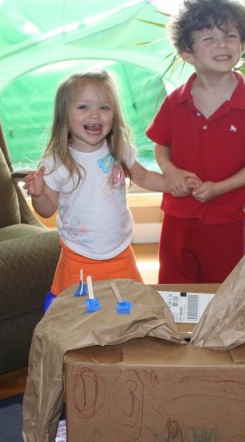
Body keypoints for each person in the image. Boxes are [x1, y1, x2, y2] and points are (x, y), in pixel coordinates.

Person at [147, 0, 245, 284]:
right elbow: (161, 145)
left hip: (225, 220)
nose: (222, 44)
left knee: (221, 287)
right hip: (177, 216)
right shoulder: (174, 102)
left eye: (230, 35)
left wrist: (220, 188)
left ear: (242, 44)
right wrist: (170, 171)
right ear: (188, 53)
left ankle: (214, 332)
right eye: (208, 37)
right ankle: (179, 331)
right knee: (173, 284)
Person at [24, 69, 171, 298]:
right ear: (65, 115)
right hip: (78, 257)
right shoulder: (57, 162)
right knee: (78, 316)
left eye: (104, 107)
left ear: (114, 114)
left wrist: (173, 184)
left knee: (127, 310)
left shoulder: (118, 149)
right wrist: (38, 193)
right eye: (83, 107)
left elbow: (143, 177)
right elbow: (46, 209)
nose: (95, 115)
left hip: (121, 253)